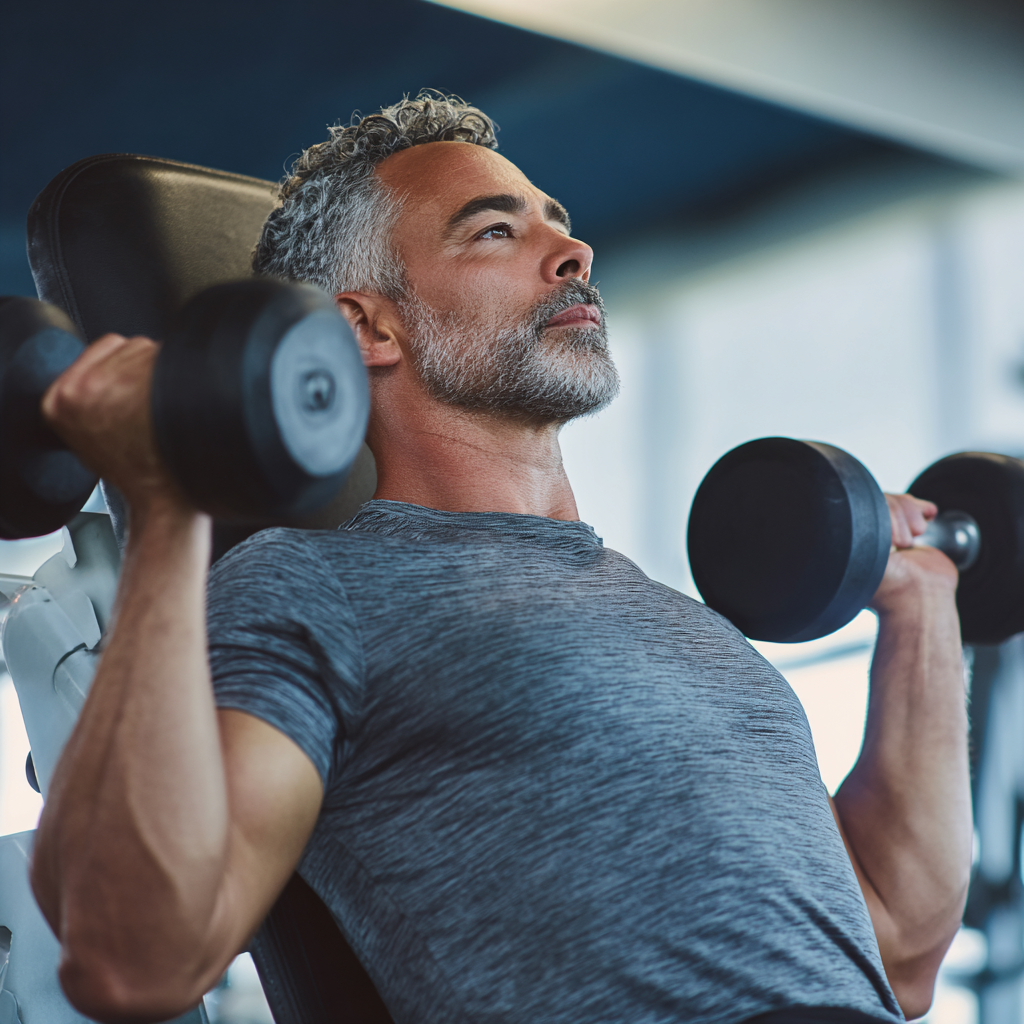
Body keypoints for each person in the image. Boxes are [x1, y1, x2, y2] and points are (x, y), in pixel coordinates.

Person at [31, 92, 970, 1024]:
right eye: (493, 232)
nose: (573, 253)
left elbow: (899, 945)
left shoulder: (680, 623)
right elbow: (134, 957)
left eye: (558, 225)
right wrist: (163, 507)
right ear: (367, 328)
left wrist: (921, 612)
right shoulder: (311, 586)